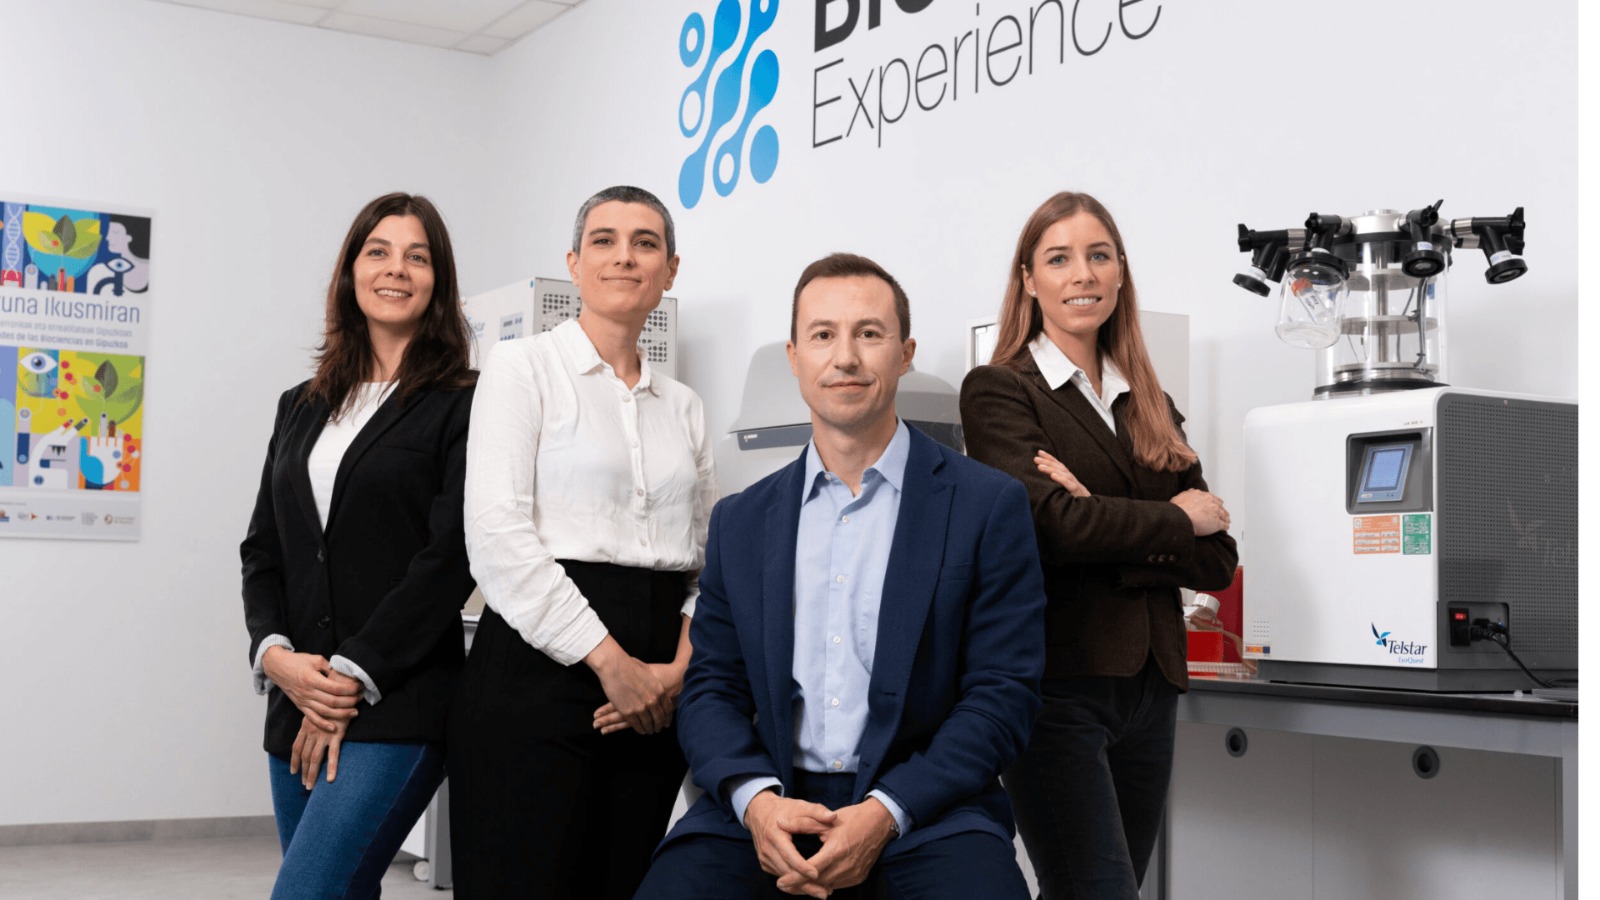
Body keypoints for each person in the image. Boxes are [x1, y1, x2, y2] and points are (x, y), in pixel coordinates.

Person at [637, 253, 1046, 900]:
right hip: (772, 799)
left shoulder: (986, 505)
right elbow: (711, 688)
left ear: (905, 353)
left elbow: (1003, 694)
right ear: (795, 357)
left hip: (927, 806)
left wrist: (886, 811)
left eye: (869, 333)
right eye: (823, 334)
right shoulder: (742, 520)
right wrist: (756, 802)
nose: (846, 357)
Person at [959, 191, 1240, 899]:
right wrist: (1171, 519)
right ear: (1029, 279)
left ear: (1120, 273)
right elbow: (1051, 529)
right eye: (1059, 259)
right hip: (1057, 687)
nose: (1082, 274)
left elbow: (1217, 559)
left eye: (1099, 256)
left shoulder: (1150, 402)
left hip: (1152, 690)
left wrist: (1098, 514)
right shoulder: (1000, 391)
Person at [448, 185, 716, 899]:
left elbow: (706, 562)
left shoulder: (684, 407)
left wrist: (674, 673)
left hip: (655, 693)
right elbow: (497, 538)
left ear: (670, 269)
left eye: (645, 243)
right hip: (539, 674)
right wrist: (611, 663)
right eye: (604, 240)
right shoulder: (520, 367)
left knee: (622, 880)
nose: (624, 256)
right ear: (574, 263)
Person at [240, 192, 478, 898]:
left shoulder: (465, 401)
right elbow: (264, 548)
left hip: (395, 701)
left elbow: (451, 555)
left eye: (417, 256)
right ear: (350, 272)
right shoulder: (300, 404)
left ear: (438, 281)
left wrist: (351, 673)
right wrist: (274, 655)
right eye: (378, 251)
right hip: (296, 695)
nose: (395, 268)